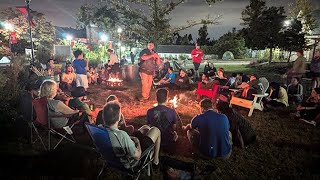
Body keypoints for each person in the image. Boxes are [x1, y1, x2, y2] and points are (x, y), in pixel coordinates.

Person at [102, 101, 161, 168]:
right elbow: (137, 156)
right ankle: (156, 161)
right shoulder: (122, 135)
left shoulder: (100, 130)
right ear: (119, 118)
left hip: (113, 158)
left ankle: (152, 154)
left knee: (145, 128)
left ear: (103, 116)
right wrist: (137, 141)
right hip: (130, 162)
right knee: (156, 130)